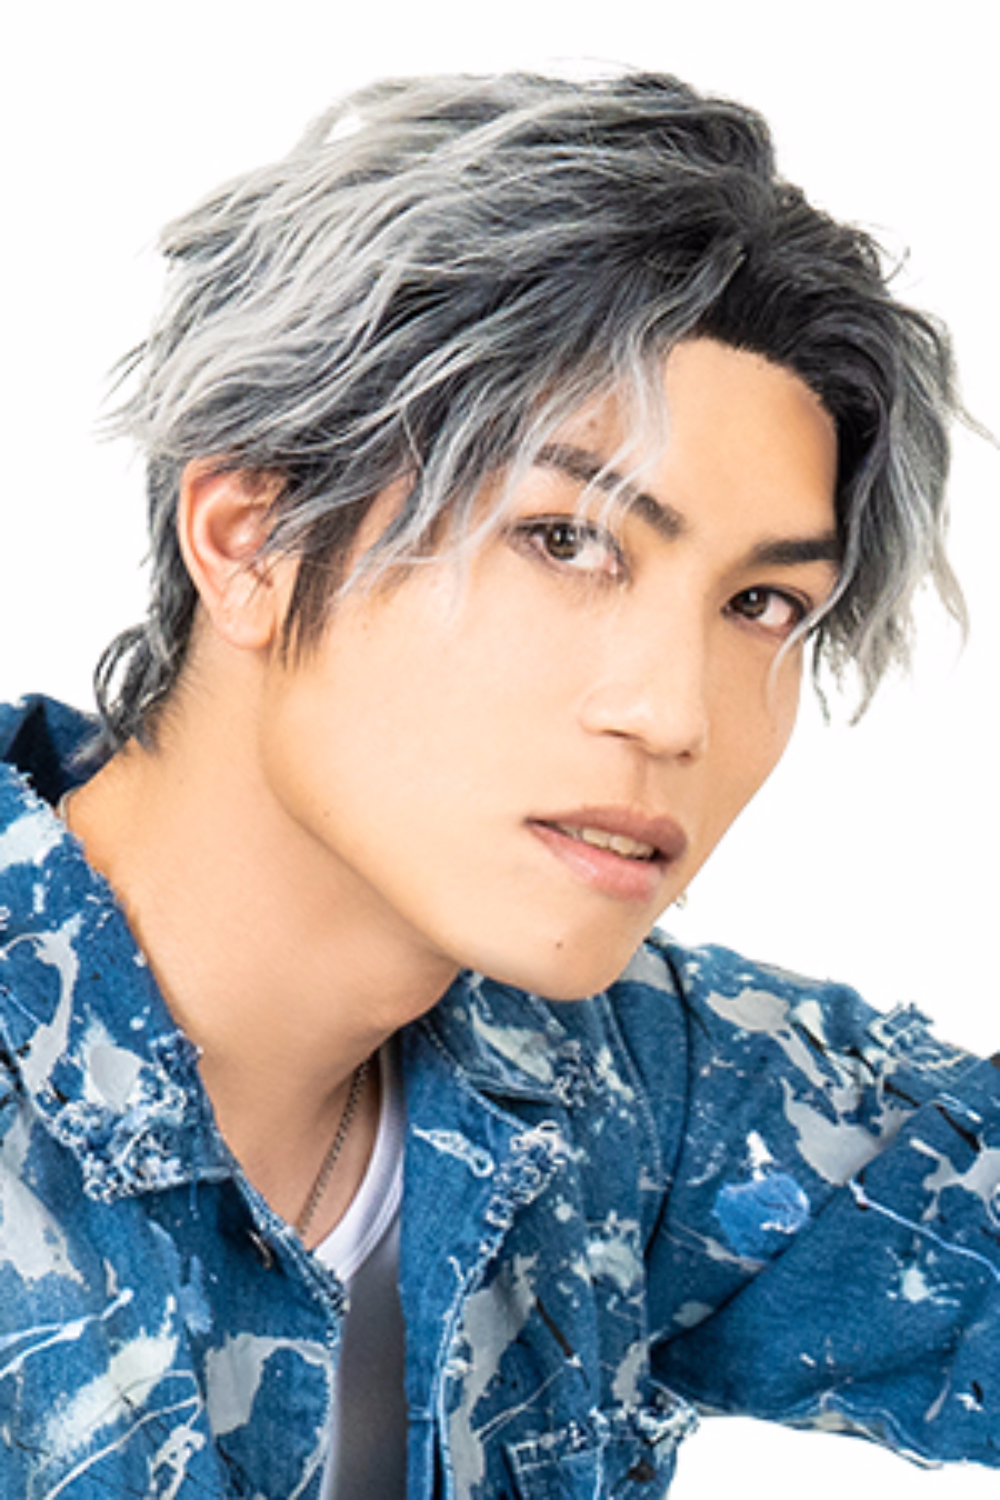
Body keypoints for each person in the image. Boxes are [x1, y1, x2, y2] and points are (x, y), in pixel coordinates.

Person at [0, 68, 996, 1499]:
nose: (674, 713)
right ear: (251, 538)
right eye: (567, 541)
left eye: (760, 604)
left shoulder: (625, 1086)